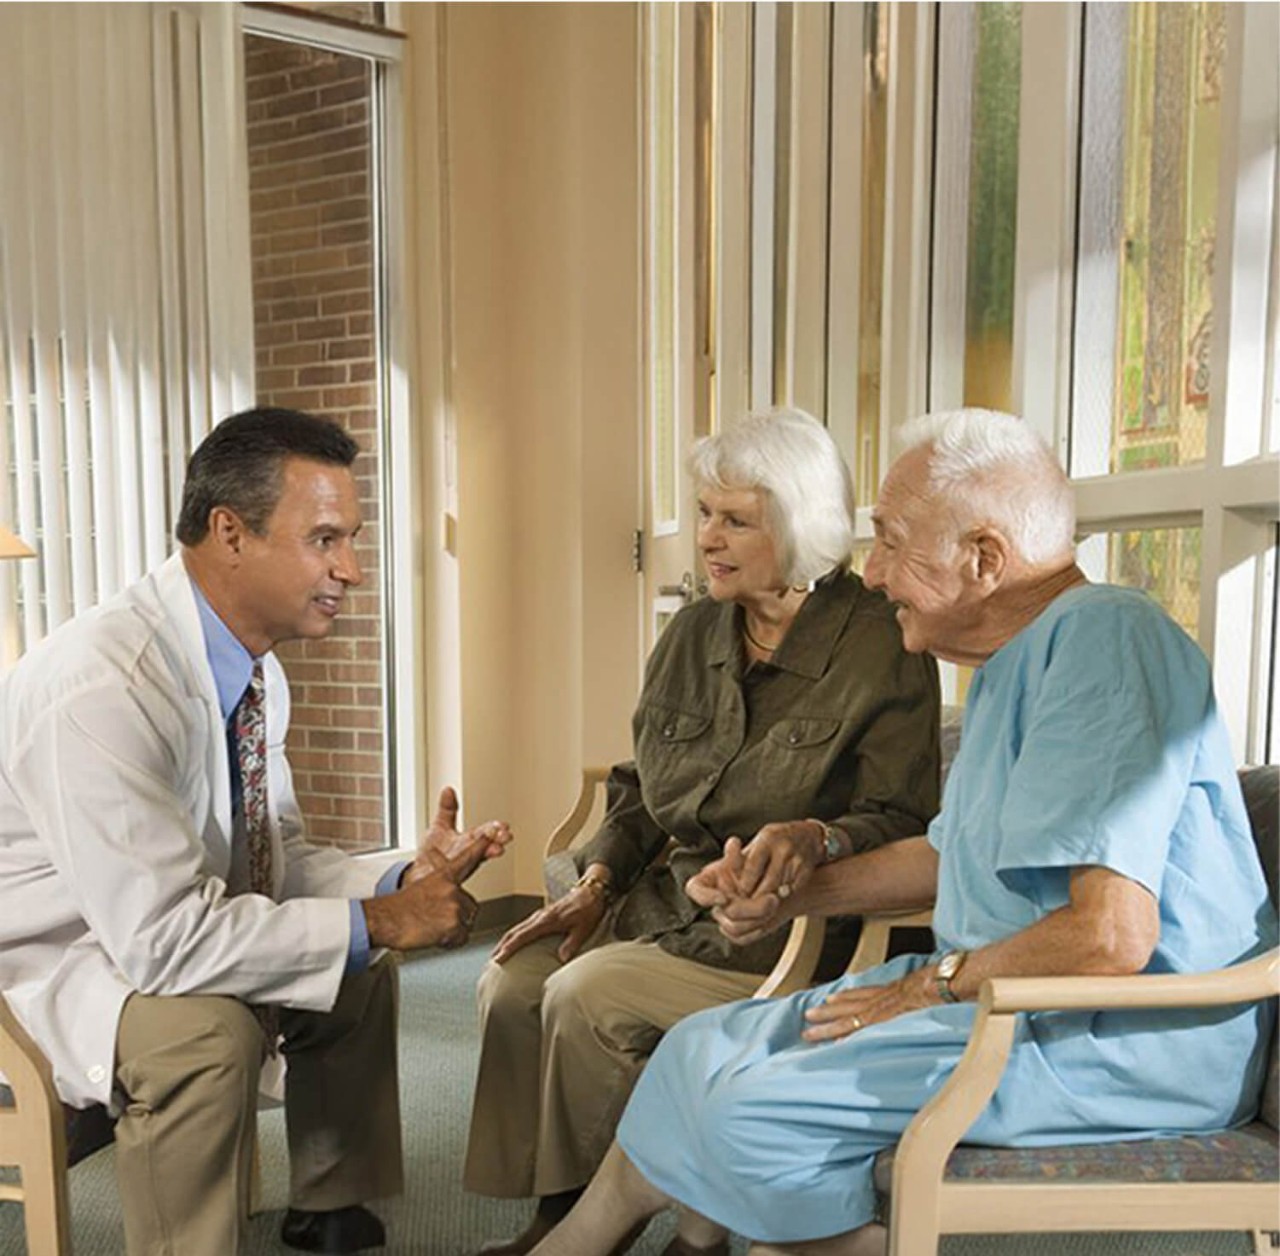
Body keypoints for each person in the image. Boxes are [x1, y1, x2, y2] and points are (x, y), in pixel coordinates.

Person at [527, 408, 1278, 1256]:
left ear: (984, 558)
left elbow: (1110, 937)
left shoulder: (1107, 641)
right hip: (1007, 1003)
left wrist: (927, 986)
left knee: (752, 1113)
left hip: (1115, 1039)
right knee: (700, 1049)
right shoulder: (1012, 668)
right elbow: (948, 858)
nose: (872, 574)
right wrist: (787, 895)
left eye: (889, 542)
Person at [0, 408, 513, 1256]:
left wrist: (397, 886)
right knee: (208, 1034)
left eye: (350, 538)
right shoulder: (103, 687)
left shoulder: (252, 666)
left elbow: (273, 859)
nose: (350, 568)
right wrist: (382, 918)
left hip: (141, 923)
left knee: (355, 964)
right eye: (323, 541)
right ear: (229, 534)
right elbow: (164, 941)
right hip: (51, 957)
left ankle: (331, 1203)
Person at [466, 409, 940, 1255]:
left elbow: (901, 816)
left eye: (736, 520)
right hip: (655, 907)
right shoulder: (690, 632)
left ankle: (600, 1228)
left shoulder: (880, 643)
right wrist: (595, 883)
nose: (708, 539)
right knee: (510, 980)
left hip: (779, 937)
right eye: (705, 513)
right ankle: (555, 1201)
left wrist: (815, 839)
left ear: (797, 526)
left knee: (583, 997)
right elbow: (646, 789)